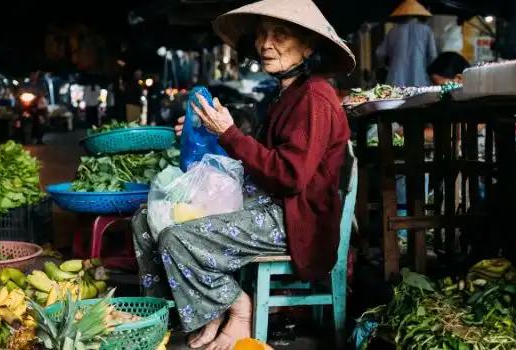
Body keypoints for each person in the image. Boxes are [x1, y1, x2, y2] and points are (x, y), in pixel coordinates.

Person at [130, 0, 355, 349]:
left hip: (294, 219)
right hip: (263, 202)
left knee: (177, 237)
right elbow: (255, 154)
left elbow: (289, 177)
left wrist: (229, 133)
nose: (267, 43)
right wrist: (206, 131)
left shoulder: (315, 97)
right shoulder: (286, 93)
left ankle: (237, 308)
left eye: (280, 34)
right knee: (147, 219)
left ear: (309, 45)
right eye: (263, 34)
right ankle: (185, 313)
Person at [375, 0, 437, 88]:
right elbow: (433, 56)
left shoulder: (393, 30)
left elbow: (380, 53)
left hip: (396, 80)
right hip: (420, 80)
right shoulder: (427, 30)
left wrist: (387, 66)